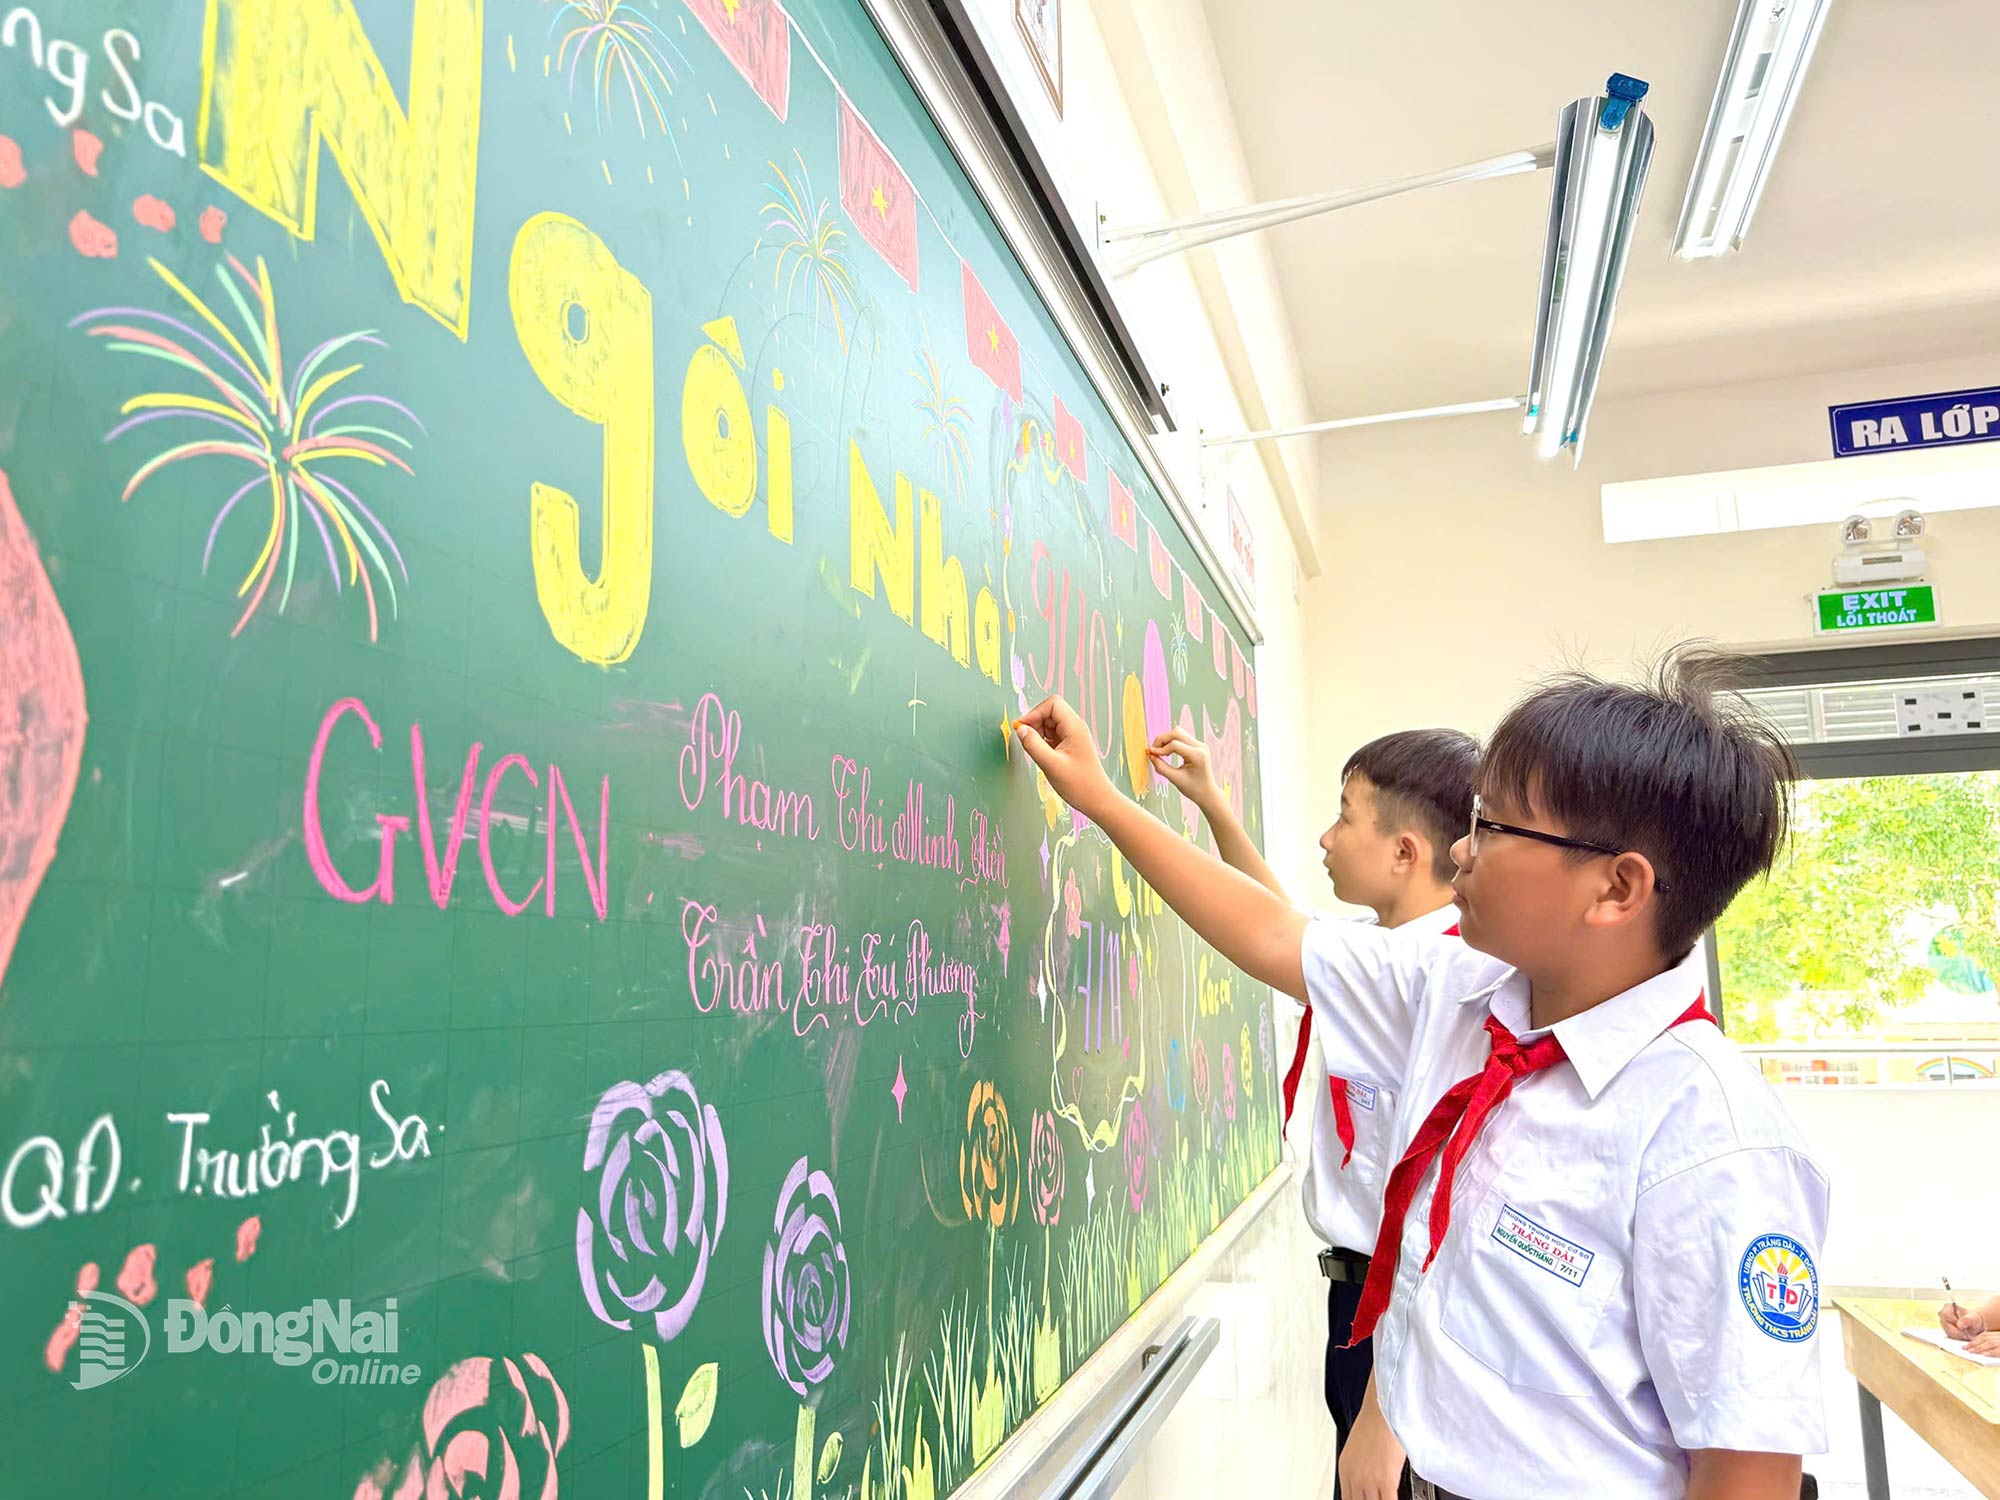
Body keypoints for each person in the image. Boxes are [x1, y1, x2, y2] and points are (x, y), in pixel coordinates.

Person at [1016, 648, 1829, 1500]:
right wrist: (1101, 799)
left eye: (1496, 828)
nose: (1463, 851)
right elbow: (1271, 932)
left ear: (1616, 890)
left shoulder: (1714, 1145)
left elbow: (1747, 1473)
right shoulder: (1458, 993)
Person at [1148, 725, 1476, 1500]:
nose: (1326, 838)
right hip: (1362, 1306)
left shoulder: (1433, 971)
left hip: (1400, 1322)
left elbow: (1446, 1222)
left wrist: (1383, 1411)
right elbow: (1279, 924)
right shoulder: (1390, 944)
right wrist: (1214, 806)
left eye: (1345, 817)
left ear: (1404, 852)